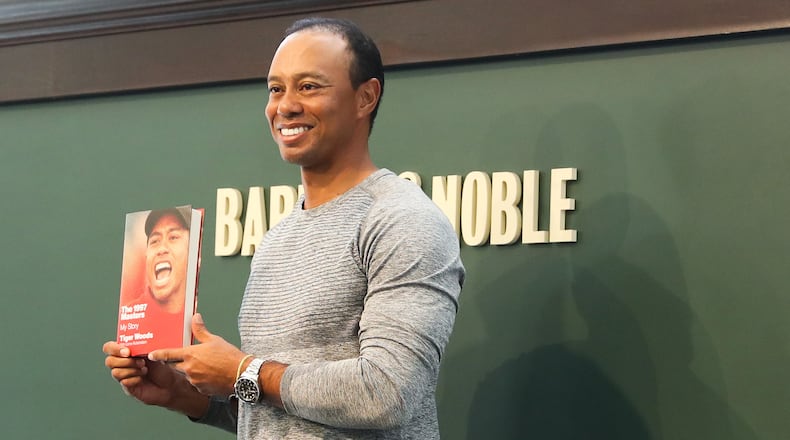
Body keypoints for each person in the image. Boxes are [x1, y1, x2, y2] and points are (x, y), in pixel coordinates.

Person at [103, 17, 465, 439]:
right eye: (276, 89)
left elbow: (387, 393)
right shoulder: (278, 237)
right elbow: (277, 409)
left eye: (309, 86)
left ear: (365, 97)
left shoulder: (402, 219)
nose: (285, 106)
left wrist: (242, 370)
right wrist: (184, 395)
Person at [118, 208, 192, 353]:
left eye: (173, 237)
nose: (162, 249)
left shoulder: (203, 320)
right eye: (154, 241)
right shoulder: (132, 319)